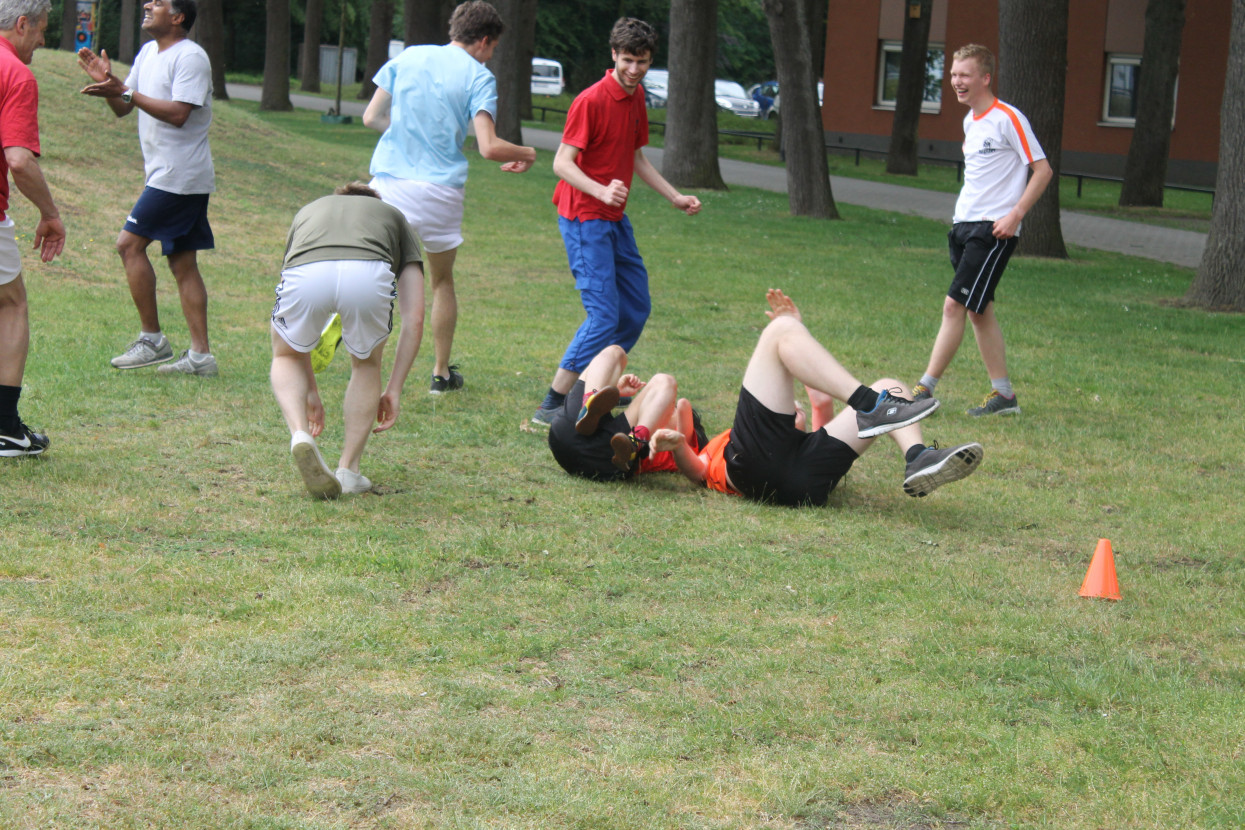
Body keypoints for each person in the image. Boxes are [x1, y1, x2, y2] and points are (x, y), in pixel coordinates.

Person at [653, 290, 983, 507]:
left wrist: (798, 331)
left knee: (891, 384)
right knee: (780, 331)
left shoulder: (803, 442)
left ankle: (918, 455)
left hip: (805, 484)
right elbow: (697, 472)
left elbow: (821, 399)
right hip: (757, 472)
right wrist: (681, 443)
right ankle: (871, 404)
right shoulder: (720, 447)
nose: (794, 405)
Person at [531, 17, 702, 427]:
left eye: (642, 61)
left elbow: (636, 157)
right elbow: (561, 163)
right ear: (613, 55)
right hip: (584, 216)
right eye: (627, 60)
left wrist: (674, 196)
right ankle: (553, 403)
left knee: (636, 308)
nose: (634, 69)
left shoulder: (637, 96)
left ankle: (593, 384)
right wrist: (600, 190)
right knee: (604, 315)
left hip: (613, 218)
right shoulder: (590, 100)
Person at [363, 0, 536, 395]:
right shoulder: (480, 76)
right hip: (440, 192)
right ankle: (440, 374)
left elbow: (371, 118)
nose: (491, 56)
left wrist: (407, 134)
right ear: (485, 40)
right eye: (493, 48)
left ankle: (364, 359)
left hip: (389, 183)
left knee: (376, 274)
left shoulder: (408, 57)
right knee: (440, 281)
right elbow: (489, 147)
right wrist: (528, 153)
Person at [910, 44, 1053, 417]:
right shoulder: (969, 122)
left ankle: (924, 390)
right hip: (963, 226)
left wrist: (1015, 215)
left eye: (965, 75)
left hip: (993, 231)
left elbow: (1043, 170)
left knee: (954, 304)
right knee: (978, 311)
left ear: (985, 78)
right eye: (954, 75)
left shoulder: (1008, 118)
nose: (957, 82)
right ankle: (1003, 396)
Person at [77, 0, 218, 376]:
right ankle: (201, 358)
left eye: (158, 2)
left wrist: (124, 91)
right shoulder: (147, 52)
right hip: (169, 174)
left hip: (179, 176)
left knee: (128, 244)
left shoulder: (191, 57)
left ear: (178, 17)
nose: (147, 4)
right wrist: (112, 87)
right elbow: (124, 107)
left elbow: (178, 113)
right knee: (183, 262)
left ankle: (152, 340)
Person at [270, 182, 424, 499]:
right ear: (373, 203)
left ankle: (300, 433)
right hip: (368, 274)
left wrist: (311, 390)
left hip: (307, 271)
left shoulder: (309, 212)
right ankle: (349, 471)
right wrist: (393, 388)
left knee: (285, 354)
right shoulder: (393, 215)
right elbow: (415, 317)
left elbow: (300, 340)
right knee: (366, 364)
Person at [0, 0, 64, 458]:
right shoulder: (16, 74)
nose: (43, 40)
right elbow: (19, 160)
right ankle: (4, 428)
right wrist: (50, 213)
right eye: (41, 30)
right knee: (11, 303)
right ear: (22, 24)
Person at [547, 343, 706, 482]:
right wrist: (615, 388)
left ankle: (633, 443)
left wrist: (675, 409)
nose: (669, 409)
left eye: (671, 409)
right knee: (615, 352)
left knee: (667, 381)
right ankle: (589, 403)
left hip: (610, 460)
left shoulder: (684, 443)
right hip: (576, 434)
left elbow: (684, 406)